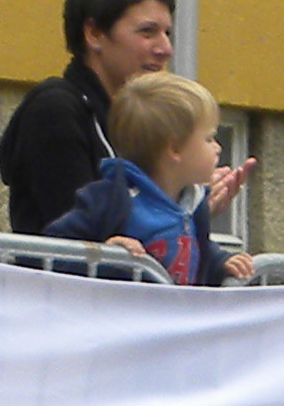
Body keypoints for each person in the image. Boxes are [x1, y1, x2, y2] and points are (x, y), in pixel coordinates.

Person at [0, 0, 178, 237]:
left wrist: (191, 208)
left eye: (167, 33)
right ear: (94, 34)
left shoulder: (132, 121)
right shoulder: (55, 111)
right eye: (147, 32)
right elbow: (79, 231)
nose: (165, 48)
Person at [37, 70, 254, 285]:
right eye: (209, 138)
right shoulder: (111, 198)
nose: (218, 148)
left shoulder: (193, 203)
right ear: (175, 149)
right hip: (120, 307)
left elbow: (198, 249)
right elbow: (55, 249)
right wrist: (106, 254)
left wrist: (220, 261)